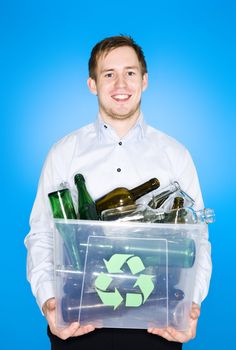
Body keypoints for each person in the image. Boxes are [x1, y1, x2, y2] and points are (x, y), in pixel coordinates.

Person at [25, 35, 212, 350]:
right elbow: (43, 233)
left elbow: (197, 238)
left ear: (145, 80)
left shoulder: (175, 154)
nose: (120, 83)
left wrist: (191, 306)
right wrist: (49, 302)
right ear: (92, 84)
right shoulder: (64, 152)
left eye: (130, 72)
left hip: (156, 320)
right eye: (108, 74)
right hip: (81, 319)